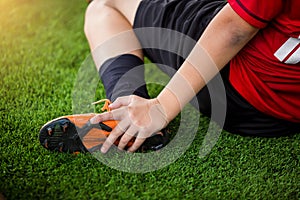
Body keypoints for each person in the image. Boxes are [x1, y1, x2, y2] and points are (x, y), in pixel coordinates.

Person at [40, 0, 300, 154]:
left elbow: (233, 30)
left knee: (104, 4)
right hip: (281, 117)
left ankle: (127, 115)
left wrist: (163, 107)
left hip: (232, 86)